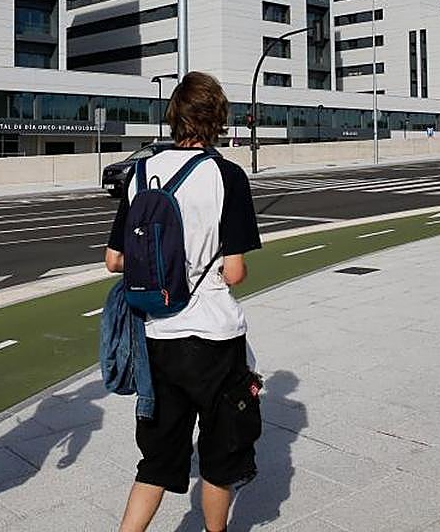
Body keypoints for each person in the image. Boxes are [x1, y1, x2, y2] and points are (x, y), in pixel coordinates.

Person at [105, 71, 262, 532]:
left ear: (174, 116)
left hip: (158, 335)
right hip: (214, 336)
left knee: (156, 459)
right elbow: (234, 271)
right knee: (220, 454)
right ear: (217, 118)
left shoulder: (139, 174)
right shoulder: (227, 176)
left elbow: (114, 259)